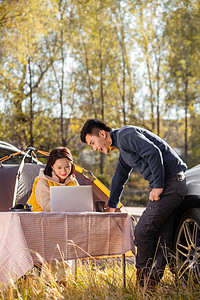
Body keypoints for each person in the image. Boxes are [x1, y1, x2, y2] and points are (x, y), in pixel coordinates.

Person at [80, 118, 187, 288]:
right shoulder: (123, 150)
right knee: (163, 239)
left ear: (102, 133)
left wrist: (157, 185)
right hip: (170, 186)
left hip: (170, 184)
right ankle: (150, 286)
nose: (95, 148)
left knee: (142, 232)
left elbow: (153, 153)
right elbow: (119, 178)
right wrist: (111, 206)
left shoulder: (125, 134)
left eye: (93, 143)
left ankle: (142, 282)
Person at [27, 147, 79, 212]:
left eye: (67, 166)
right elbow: (47, 208)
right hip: (37, 218)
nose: (63, 171)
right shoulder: (43, 182)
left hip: (61, 217)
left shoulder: (72, 182)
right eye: (59, 167)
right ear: (52, 167)